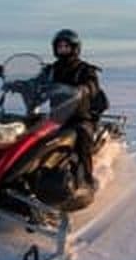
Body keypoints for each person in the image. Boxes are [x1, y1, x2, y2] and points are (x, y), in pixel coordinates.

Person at [43, 29, 106, 185]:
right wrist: (14, 79)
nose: (63, 50)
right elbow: (35, 80)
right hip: (56, 117)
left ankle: (87, 177)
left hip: (79, 116)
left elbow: (93, 84)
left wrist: (85, 88)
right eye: (60, 47)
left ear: (75, 48)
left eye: (66, 47)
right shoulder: (51, 70)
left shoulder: (85, 69)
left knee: (82, 137)